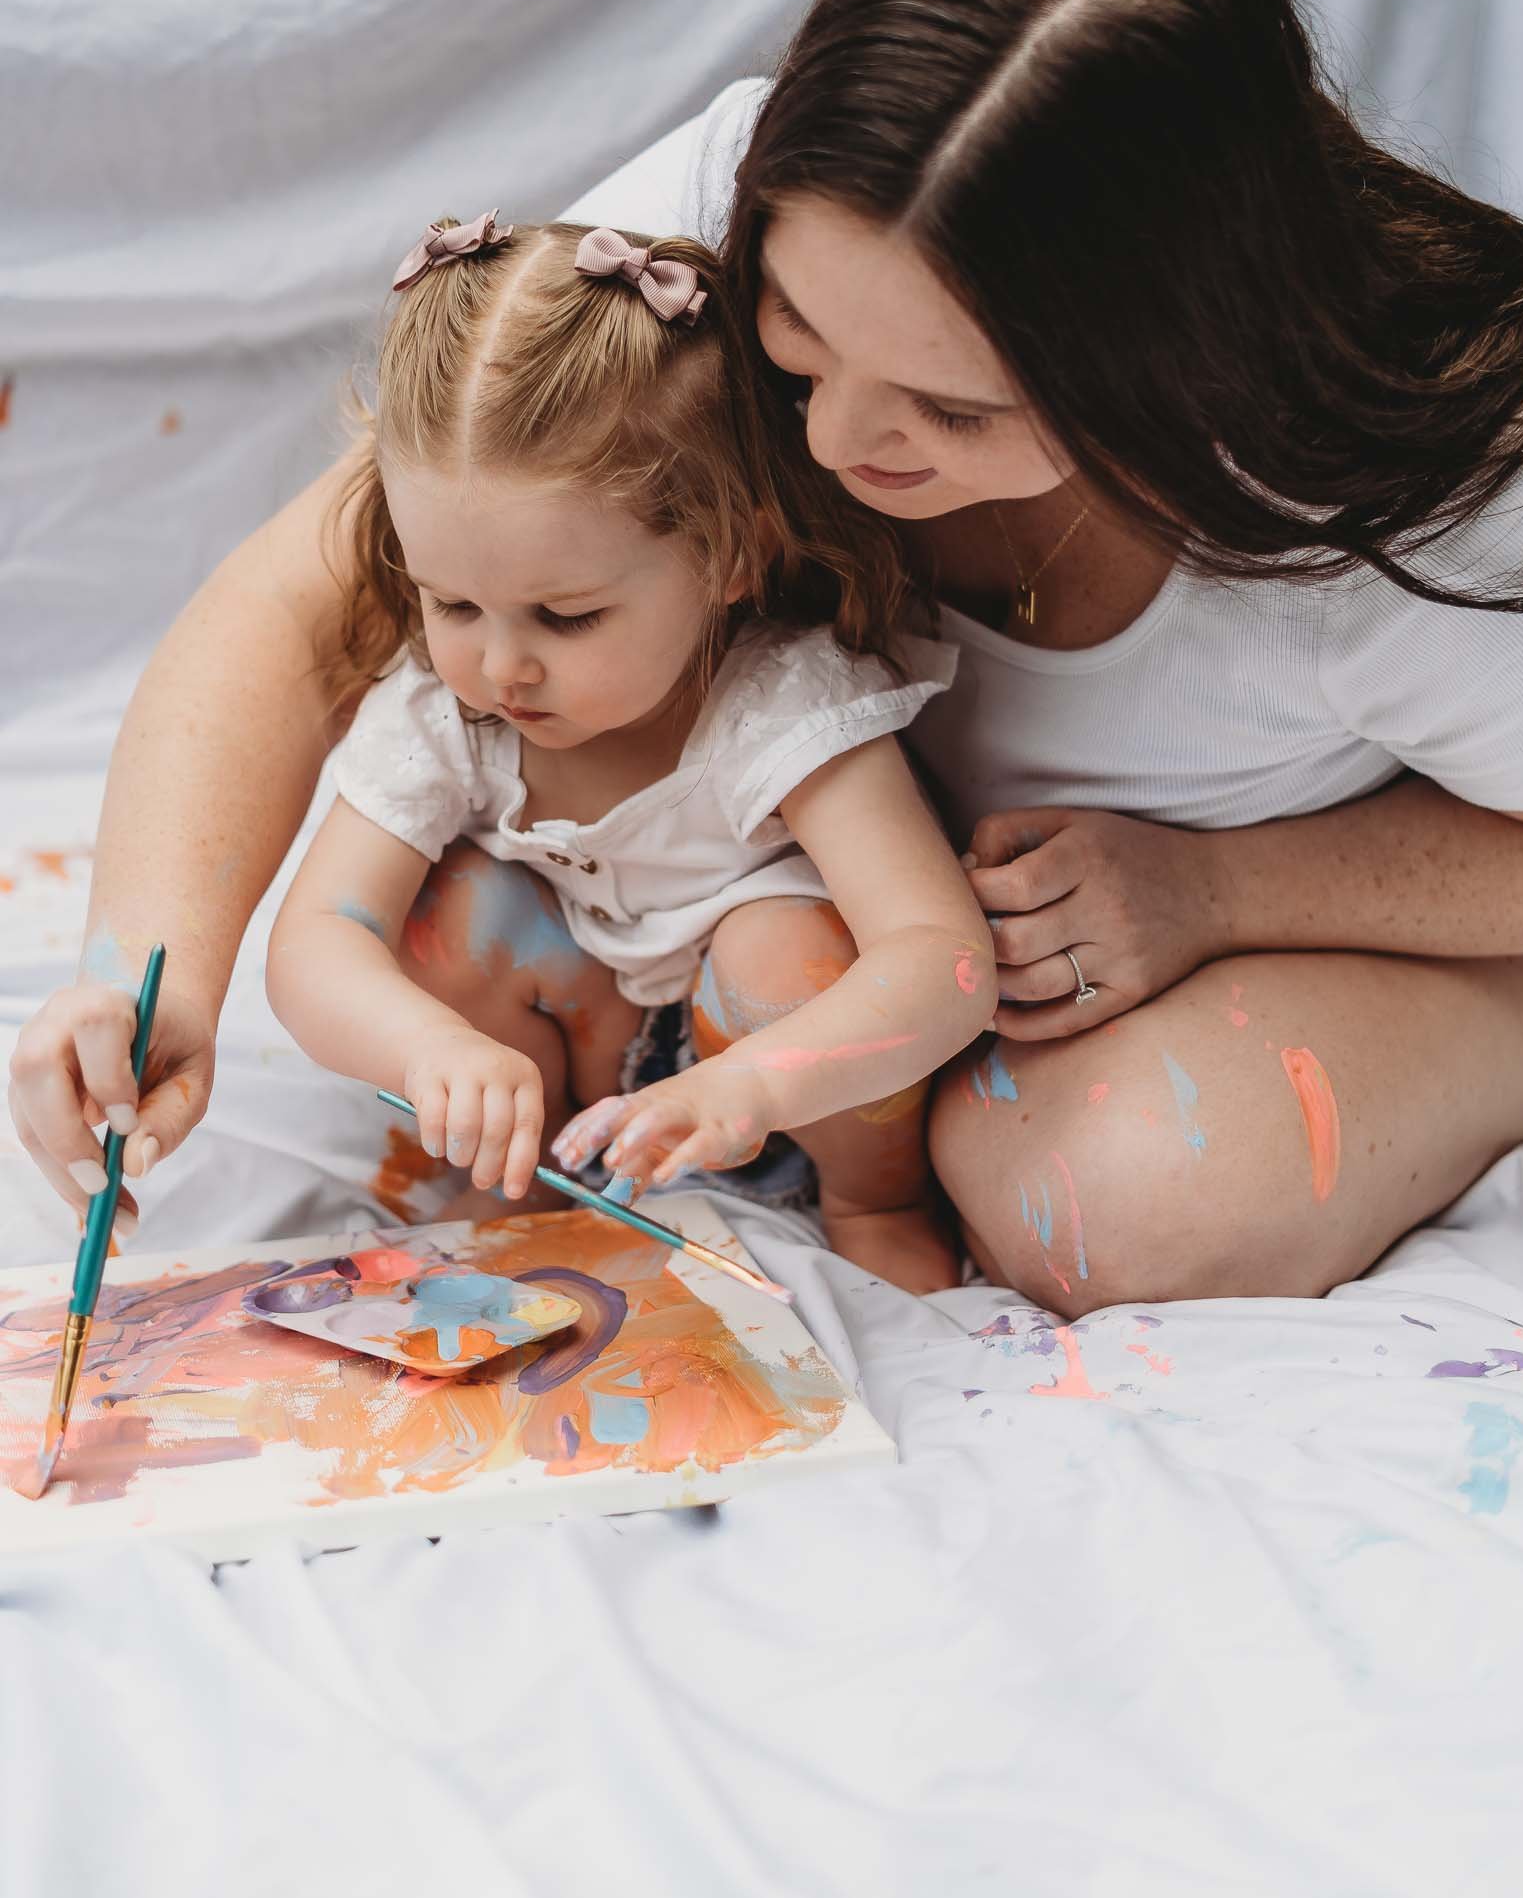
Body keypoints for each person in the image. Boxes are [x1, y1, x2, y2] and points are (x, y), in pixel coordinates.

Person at [12, 0, 1523, 1317]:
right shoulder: (764, 220)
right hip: (859, 932)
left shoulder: (1459, 495)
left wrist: (1223, 894)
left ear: (1179, 361)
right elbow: (316, 589)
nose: (832, 448)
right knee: (432, 938)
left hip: (1429, 907)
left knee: (1104, 1197)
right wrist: (144, 973)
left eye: (953, 412)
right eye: (795, 345)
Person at [262, 212, 991, 1290]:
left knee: (785, 953)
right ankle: (524, 1165)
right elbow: (315, 940)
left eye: (565, 617)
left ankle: (871, 1198)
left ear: (730, 555)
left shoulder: (779, 705)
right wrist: (437, 1053)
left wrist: (756, 1089)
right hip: (590, 1053)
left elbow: (943, 962)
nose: (502, 667)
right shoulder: (446, 708)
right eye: (454, 601)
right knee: (438, 922)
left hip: (785, 1078)